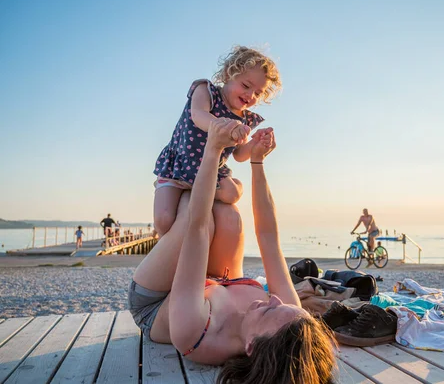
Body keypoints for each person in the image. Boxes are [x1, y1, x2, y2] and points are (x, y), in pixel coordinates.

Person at [129, 120, 335, 383]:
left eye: (270, 310)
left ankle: (176, 180)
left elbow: (198, 228)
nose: (275, 299)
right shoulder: (288, 318)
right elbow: (268, 237)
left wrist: (213, 151)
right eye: (283, 304)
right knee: (229, 216)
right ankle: (205, 182)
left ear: (251, 346)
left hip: (156, 301)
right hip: (212, 281)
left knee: (195, 205)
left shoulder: (197, 331)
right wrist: (257, 162)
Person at [152, 46, 282, 237]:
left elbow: (238, 154)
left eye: (257, 93)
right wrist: (228, 126)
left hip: (212, 174)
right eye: (246, 86)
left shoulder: (244, 119)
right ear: (229, 74)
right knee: (163, 221)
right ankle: (166, 254)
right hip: (179, 167)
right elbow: (199, 116)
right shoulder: (206, 92)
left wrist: (255, 144)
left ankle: (228, 185)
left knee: (232, 194)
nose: (250, 96)